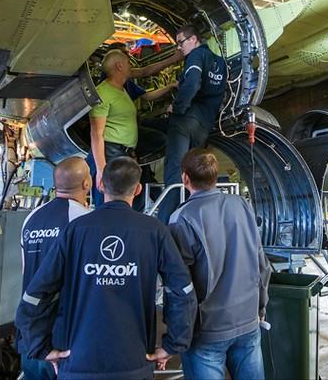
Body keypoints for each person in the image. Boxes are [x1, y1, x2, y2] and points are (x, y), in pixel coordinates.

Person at [15, 156, 196, 379]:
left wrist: (39, 346)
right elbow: (182, 290)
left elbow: (36, 292)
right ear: (138, 189)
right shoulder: (154, 231)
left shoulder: (75, 230)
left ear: (100, 185)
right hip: (134, 362)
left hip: (78, 362)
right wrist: (173, 344)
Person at [168, 149, 271, 380]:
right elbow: (261, 262)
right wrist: (261, 307)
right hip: (248, 321)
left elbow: (178, 285)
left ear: (185, 178)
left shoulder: (182, 218)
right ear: (216, 176)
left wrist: (176, 336)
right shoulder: (242, 205)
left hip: (207, 331)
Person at [17, 157, 92, 380]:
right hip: (65, 338)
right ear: (86, 184)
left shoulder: (31, 219)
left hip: (32, 336)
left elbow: (26, 272)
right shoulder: (85, 220)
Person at [153, 25, 227, 222]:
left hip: (184, 121)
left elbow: (193, 83)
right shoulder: (220, 63)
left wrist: (177, 107)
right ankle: (193, 220)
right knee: (195, 176)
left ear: (193, 39)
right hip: (203, 126)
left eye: (180, 42)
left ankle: (165, 227)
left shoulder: (196, 56)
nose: (179, 48)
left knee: (174, 175)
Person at [89, 48, 177, 210]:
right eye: (128, 63)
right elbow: (96, 134)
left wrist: (132, 152)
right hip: (110, 154)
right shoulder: (103, 93)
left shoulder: (122, 91)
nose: (131, 66)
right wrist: (102, 170)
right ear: (119, 66)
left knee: (128, 205)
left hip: (123, 153)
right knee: (108, 206)